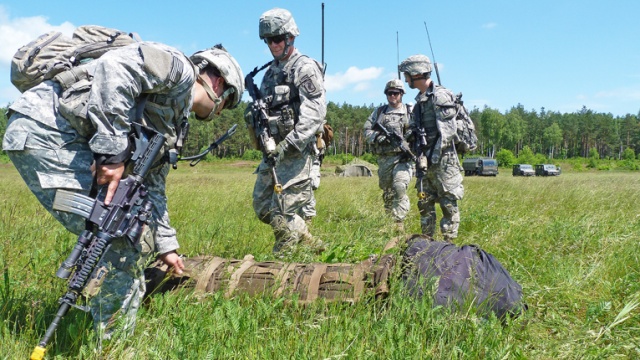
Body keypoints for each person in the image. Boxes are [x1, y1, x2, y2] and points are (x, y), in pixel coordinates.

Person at [2, 39, 244, 340]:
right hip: (47, 131)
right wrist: (113, 150)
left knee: (129, 233)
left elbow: (152, 184)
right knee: (124, 238)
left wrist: (167, 245)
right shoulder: (178, 68)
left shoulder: (173, 119)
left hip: (49, 133)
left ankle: (103, 324)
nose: (220, 112)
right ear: (219, 83)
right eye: (228, 103)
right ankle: (112, 344)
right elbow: (114, 67)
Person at [248, 8, 327, 254]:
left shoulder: (304, 68)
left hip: (295, 152)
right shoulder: (268, 73)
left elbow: (315, 113)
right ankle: (309, 241)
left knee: (282, 213)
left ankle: (281, 267)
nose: (273, 44)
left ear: (291, 37)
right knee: (263, 207)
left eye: (278, 39)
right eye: (269, 40)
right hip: (272, 152)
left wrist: (288, 144)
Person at [399, 55, 464, 242]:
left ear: (416, 73)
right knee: (424, 203)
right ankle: (427, 246)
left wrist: (430, 159)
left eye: (407, 74)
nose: (405, 79)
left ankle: (449, 248)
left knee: (448, 205)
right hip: (425, 162)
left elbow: (447, 133)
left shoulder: (440, 96)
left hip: (443, 162)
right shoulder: (420, 101)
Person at [363, 79, 413, 231]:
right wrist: (378, 137)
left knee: (399, 186)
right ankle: (388, 219)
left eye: (396, 93)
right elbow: (366, 130)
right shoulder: (379, 113)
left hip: (404, 158)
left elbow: (417, 131)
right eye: (390, 93)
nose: (393, 96)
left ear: (401, 94)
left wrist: (410, 139)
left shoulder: (409, 112)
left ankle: (399, 222)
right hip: (385, 158)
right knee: (388, 191)